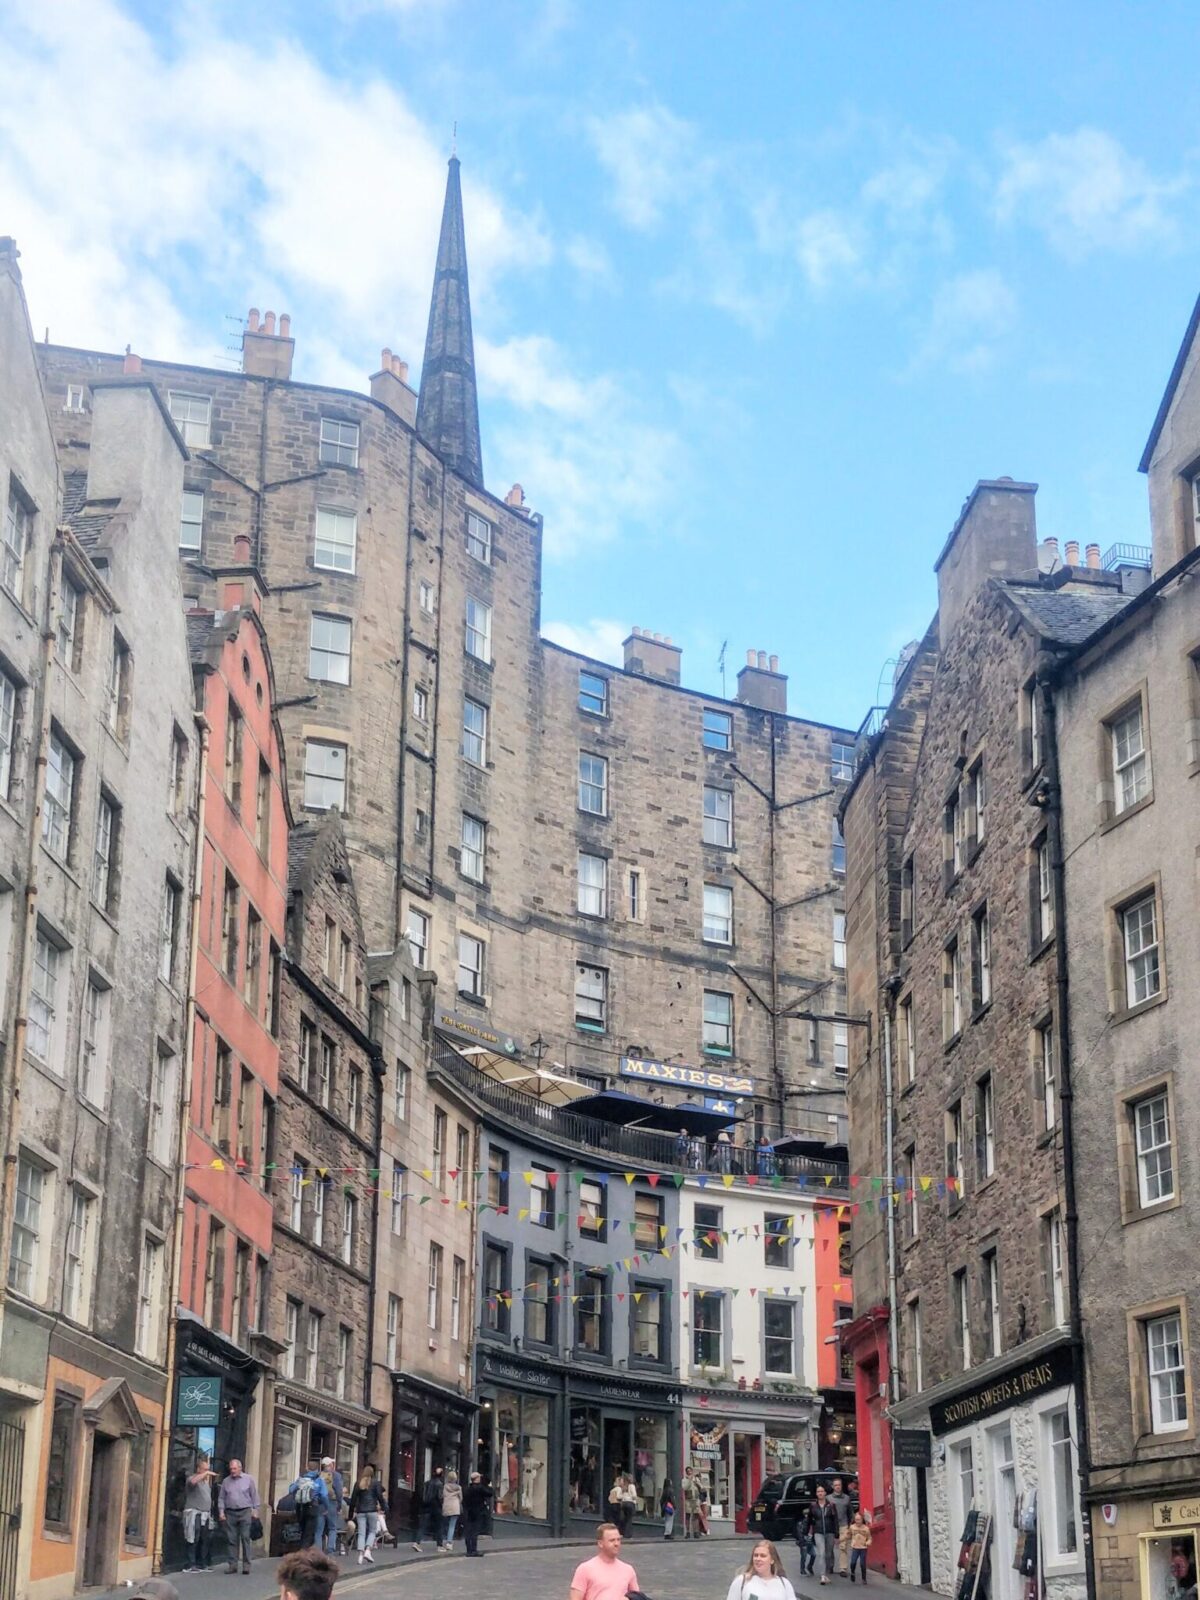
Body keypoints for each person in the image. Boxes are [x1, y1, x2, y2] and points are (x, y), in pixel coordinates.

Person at [568, 1522, 640, 1600]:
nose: (616, 1543)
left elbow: (637, 1597)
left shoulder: (628, 1570)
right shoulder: (585, 1569)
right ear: (600, 1543)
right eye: (612, 1540)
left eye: (618, 1540)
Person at [218, 1459, 261, 1575]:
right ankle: (232, 1565)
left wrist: (255, 1510)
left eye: (234, 1469)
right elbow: (221, 1498)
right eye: (231, 1469)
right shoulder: (226, 1481)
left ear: (240, 1468)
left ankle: (246, 1566)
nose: (232, 1471)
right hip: (230, 1512)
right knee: (231, 1539)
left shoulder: (248, 1479)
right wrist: (221, 1512)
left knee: (245, 1538)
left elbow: (254, 1495)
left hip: (245, 1511)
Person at [726, 1541, 798, 1600]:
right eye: (756, 1555)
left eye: (763, 1556)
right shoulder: (742, 1581)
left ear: (772, 1560)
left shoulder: (784, 1583)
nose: (758, 1559)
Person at [348, 1467, 388, 1565]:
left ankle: (360, 1556)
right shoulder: (375, 1483)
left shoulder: (358, 1483)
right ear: (372, 1473)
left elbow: (353, 1500)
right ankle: (368, 1550)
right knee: (372, 1531)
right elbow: (380, 1497)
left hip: (360, 1511)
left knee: (361, 1533)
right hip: (372, 1511)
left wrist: (350, 1514)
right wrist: (383, 1508)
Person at [182, 1455, 216, 1571]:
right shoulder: (192, 1478)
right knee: (193, 1538)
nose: (208, 1472)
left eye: (208, 1469)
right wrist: (205, 1475)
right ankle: (190, 1564)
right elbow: (193, 1481)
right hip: (194, 1513)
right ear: (199, 1469)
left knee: (204, 1539)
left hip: (205, 1514)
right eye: (205, 1469)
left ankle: (202, 1563)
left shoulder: (206, 1484)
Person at [803, 1484, 840, 1586]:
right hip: (818, 1532)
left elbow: (835, 1520)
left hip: (830, 1532)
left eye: (822, 1491)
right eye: (818, 1492)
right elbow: (809, 1520)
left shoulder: (831, 1505)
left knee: (828, 1554)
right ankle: (823, 1575)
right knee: (821, 1553)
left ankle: (827, 1573)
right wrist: (805, 1532)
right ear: (816, 1494)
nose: (820, 1493)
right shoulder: (813, 1506)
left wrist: (837, 1534)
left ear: (825, 1493)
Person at [413, 1464, 444, 1552]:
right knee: (439, 1526)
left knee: (422, 1526)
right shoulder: (439, 1484)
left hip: (425, 1507)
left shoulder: (427, 1483)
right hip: (436, 1507)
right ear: (441, 1475)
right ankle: (439, 1546)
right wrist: (441, 1506)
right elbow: (440, 1497)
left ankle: (417, 1543)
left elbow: (422, 1495)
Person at [319, 1458, 344, 1556]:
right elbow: (339, 1491)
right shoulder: (336, 1475)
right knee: (332, 1528)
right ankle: (330, 1548)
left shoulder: (319, 1475)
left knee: (319, 1530)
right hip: (332, 1503)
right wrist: (339, 1505)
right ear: (330, 1464)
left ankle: (318, 1549)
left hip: (320, 1503)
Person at [463, 1471, 491, 1557]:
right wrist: (489, 1486)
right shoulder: (480, 1488)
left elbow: (464, 1501)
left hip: (469, 1512)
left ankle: (468, 1550)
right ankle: (474, 1550)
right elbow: (490, 1493)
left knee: (468, 1532)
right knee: (475, 1532)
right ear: (477, 1479)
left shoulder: (467, 1489)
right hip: (478, 1512)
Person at [829, 1477, 851, 1576]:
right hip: (832, 1525)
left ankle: (843, 1568)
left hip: (843, 1524)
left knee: (843, 1547)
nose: (838, 1487)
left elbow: (850, 1512)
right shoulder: (828, 1498)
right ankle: (830, 1565)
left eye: (839, 1485)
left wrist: (850, 1526)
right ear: (833, 1487)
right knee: (830, 1547)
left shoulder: (846, 1498)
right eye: (836, 1485)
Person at [441, 1469, 463, 1551]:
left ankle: (443, 1540)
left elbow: (443, 1496)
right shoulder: (459, 1488)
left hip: (446, 1506)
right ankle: (449, 1543)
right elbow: (461, 1498)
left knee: (445, 1524)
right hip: (455, 1507)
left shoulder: (445, 1486)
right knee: (452, 1525)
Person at [848, 1513, 872, 1583]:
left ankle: (864, 1578)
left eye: (859, 1520)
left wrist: (868, 1542)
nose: (857, 1521)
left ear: (862, 1520)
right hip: (855, 1547)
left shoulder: (866, 1529)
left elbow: (869, 1538)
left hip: (863, 1548)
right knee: (853, 1562)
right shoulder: (852, 1527)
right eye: (856, 1520)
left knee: (862, 1563)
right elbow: (849, 1535)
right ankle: (852, 1573)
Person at [682, 1467, 700, 1539]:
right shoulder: (684, 1480)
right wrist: (689, 1480)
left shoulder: (696, 1479)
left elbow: (701, 1487)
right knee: (688, 1516)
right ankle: (688, 1532)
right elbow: (685, 1488)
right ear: (686, 1472)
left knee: (696, 1516)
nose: (689, 1472)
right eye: (688, 1471)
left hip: (696, 1499)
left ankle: (696, 1532)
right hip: (688, 1500)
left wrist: (697, 1483)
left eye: (690, 1471)